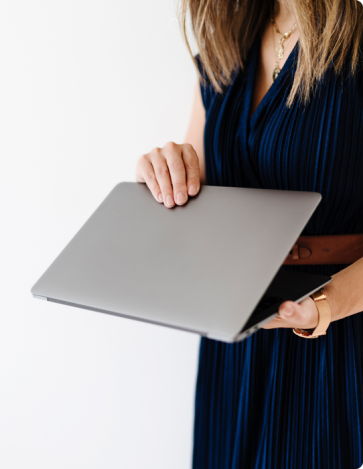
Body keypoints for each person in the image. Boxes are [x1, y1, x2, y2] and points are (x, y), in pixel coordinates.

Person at [136, 0, 363, 467]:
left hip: (331, 349)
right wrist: (163, 178)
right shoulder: (223, 47)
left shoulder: (358, 46)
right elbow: (193, 206)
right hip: (232, 351)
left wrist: (321, 309)